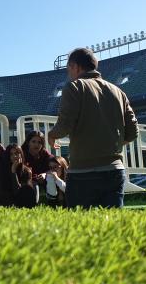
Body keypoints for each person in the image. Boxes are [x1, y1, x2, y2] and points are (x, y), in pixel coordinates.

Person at [48, 48, 138, 208]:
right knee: (112, 226)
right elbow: (132, 132)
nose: (68, 73)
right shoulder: (118, 91)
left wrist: (51, 135)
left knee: (81, 226)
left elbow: (65, 124)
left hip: (83, 172)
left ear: (75, 66)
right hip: (114, 169)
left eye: (68, 69)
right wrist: (111, 144)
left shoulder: (74, 87)